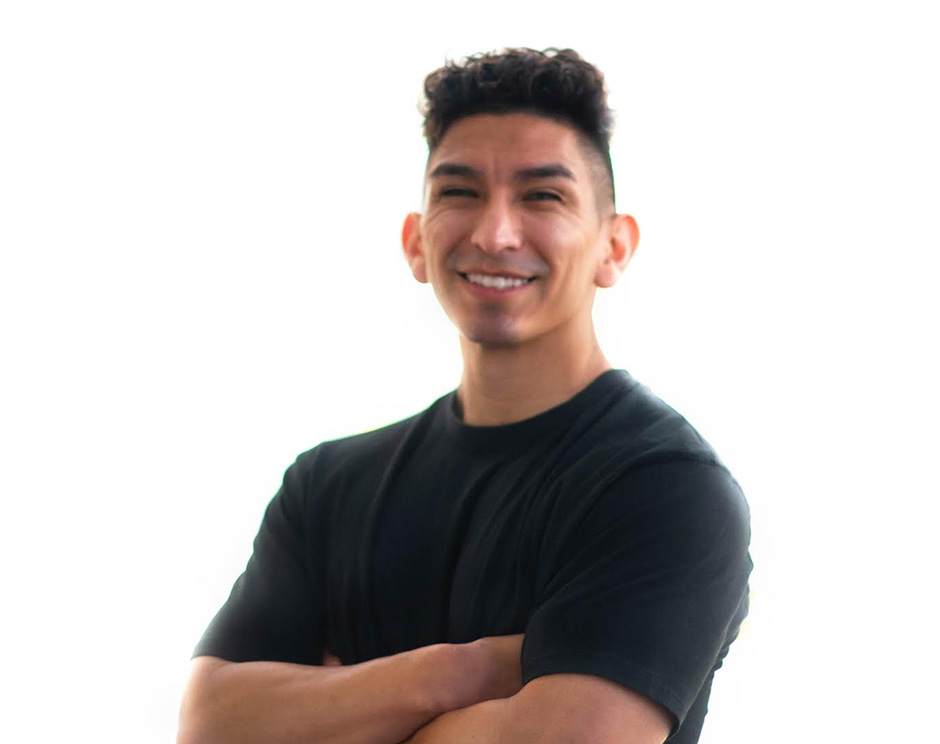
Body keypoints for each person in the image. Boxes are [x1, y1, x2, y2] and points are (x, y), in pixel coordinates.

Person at [177, 48, 752, 744]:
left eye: (544, 195)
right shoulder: (325, 487)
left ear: (614, 248)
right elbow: (210, 724)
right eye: (459, 192)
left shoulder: (663, 486)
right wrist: (465, 671)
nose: (494, 233)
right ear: (415, 243)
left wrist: (332, 708)